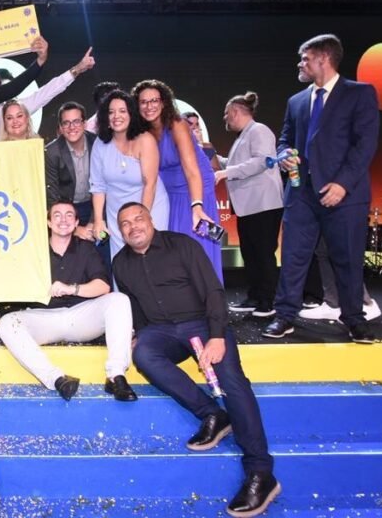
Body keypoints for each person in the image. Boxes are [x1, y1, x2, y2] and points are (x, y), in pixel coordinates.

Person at [113, 202, 280, 518]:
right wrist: (139, 334)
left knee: (232, 381)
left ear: (151, 220)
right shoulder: (120, 263)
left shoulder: (182, 245)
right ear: (120, 231)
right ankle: (212, 414)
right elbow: (134, 305)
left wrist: (216, 336)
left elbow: (213, 291)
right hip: (162, 330)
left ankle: (261, 471)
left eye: (138, 218)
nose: (133, 226)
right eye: (125, 223)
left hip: (202, 324)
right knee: (143, 354)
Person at [263, 34, 380, 343]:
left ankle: (354, 318)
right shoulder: (296, 101)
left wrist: (343, 184)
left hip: (345, 195)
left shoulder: (360, 93)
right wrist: (284, 155)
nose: (300, 64)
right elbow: (285, 139)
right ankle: (284, 315)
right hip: (301, 193)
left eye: (305, 58)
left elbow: (365, 145)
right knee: (292, 258)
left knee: (348, 259)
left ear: (324, 59)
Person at [0, 201, 135, 401]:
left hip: (80, 316)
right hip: (45, 318)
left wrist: (72, 288)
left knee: (119, 300)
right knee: (6, 323)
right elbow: (11, 286)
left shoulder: (86, 249)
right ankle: (56, 379)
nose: (63, 220)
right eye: (57, 215)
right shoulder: (32, 250)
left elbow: (103, 286)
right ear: (48, 223)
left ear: (77, 222)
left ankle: (116, 376)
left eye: (69, 215)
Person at [134, 79, 221, 281]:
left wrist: (197, 206)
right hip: (170, 193)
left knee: (199, 245)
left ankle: (210, 295)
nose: (149, 106)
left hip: (196, 189)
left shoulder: (177, 124)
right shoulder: (143, 132)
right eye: (143, 102)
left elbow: (192, 170)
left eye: (154, 100)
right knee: (176, 249)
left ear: (164, 102)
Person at [215, 92, 284, 318]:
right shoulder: (243, 136)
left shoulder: (259, 130)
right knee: (251, 253)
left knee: (263, 253)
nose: (225, 118)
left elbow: (261, 161)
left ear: (235, 112)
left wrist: (226, 172)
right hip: (248, 206)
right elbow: (237, 164)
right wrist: (215, 157)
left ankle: (267, 301)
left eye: (226, 113)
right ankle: (254, 297)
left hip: (263, 204)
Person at [89, 89, 169, 260]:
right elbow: (97, 186)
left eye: (122, 111)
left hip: (149, 205)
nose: (116, 116)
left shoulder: (145, 140)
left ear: (131, 114)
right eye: (111, 112)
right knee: (123, 261)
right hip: (116, 212)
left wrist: (142, 218)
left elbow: (150, 183)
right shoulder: (100, 143)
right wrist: (98, 220)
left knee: (151, 257)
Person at [45, 101, 97, 237]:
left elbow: (105, 186)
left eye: (76, 122)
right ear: (61, 128)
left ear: (84, 124)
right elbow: (52, 196)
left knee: (101, 241)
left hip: (96, 204)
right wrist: (75, 229)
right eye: (66, 123)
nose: (71, 127)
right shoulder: (52, 152)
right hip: (67, 208)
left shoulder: (97, 144)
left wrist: (94, 221)